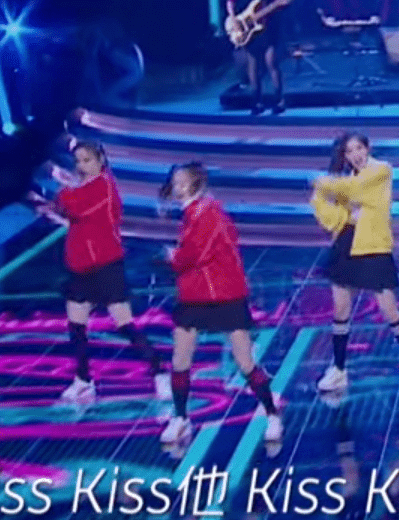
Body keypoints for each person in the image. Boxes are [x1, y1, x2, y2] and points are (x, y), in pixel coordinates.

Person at [33, 140, 170, 404]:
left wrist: (66, 191)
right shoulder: (80, 189)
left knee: (123, 324)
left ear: (100, 161)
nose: (81, 166)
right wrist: (66, 193)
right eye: (78, 161)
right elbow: (65, 206)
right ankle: (83, 379)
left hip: (106, 266)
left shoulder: (105, 187)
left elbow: (75, 207)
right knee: (76, 325)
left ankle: (159, 370)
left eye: (87, 160)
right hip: (80, 267)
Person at [158, 162, 283, 444]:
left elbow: (195, 254)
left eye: (182, 182)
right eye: (175, 182)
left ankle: (272, 414)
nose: (177, 187)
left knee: (244, 362)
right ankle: (180, 418)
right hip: (194, 296)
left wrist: (173, 257)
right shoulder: (192, 212)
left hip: (224, 296)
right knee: (180, 360)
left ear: (196, 183)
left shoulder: (209, 212)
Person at [311, 133, 399, 392]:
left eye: (359, 148)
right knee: (340, 310)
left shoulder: (381, 170)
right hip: (346, 244)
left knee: (389, 310)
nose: (356, 155)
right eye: (349, 151)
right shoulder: (344, 179)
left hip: (373, 247)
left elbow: (355, 191)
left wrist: (324, 183)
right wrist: (335, 207)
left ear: (368, 148)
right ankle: (339, 370)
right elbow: (330, 209)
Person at [226, 0, 291, 115]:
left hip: (269, 28)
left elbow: (281, 5)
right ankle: (256, 102)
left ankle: (279, 101)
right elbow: (230, 2)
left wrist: (277, 5)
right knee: (253, 66)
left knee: (271, 63)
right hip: (250, 30)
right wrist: (234, 21)